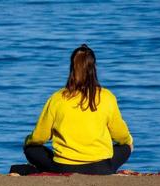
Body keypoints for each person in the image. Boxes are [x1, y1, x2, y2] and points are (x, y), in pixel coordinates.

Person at [23, 44, 133, 175]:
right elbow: (121, 136)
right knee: (126, 147)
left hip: (64, 167)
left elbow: (39, 137)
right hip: (101, 167)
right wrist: (128, 142)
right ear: (94, 68)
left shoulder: (57, 98)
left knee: (31, 148)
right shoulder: (107, 97)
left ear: (71, 69)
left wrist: (28, 142)